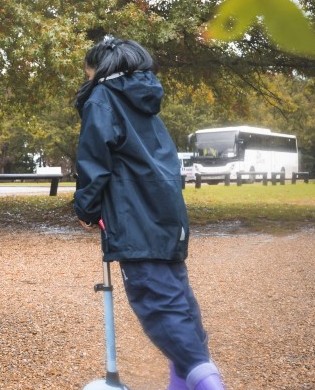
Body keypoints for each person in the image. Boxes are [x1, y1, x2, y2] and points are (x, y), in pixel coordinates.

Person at [72, 38, 225, 390]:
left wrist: (85, 207)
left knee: (156, 303)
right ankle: (185, 379)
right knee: (176, 297)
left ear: (99, 68)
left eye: (87, 72)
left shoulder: (103, 98)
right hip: (165, 211)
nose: (87, 79)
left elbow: (95, 160)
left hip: (134, 213)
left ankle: (205, 379)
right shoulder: (145, 98)